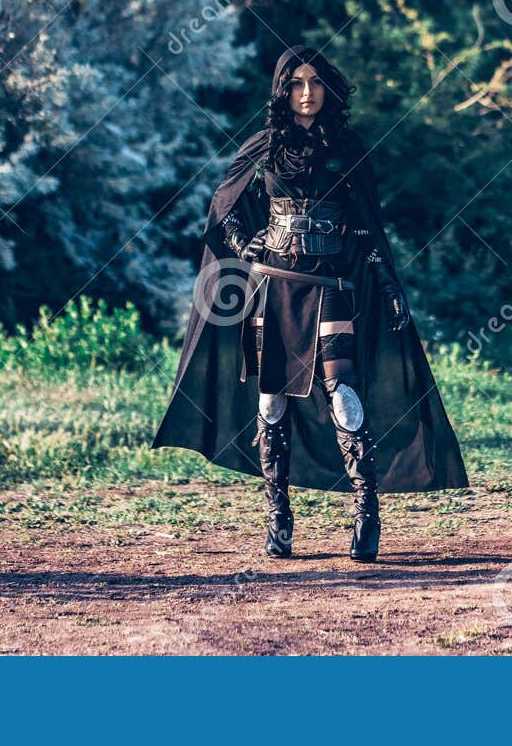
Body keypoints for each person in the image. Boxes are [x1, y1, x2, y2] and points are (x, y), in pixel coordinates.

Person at [152, 45, 467, 562]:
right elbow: (222, 204)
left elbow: (367, 223)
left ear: (328, 88)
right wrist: (242, 245)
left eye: (315, 82)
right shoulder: (264, 145)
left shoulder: (348, 147)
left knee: (343, 391)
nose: (306, 92)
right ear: (283, 90)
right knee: (271, 399)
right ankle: (278, 517)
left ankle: (367, 514)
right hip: (273, 285)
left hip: (331, 283)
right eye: (296, 83)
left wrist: (387, 282)